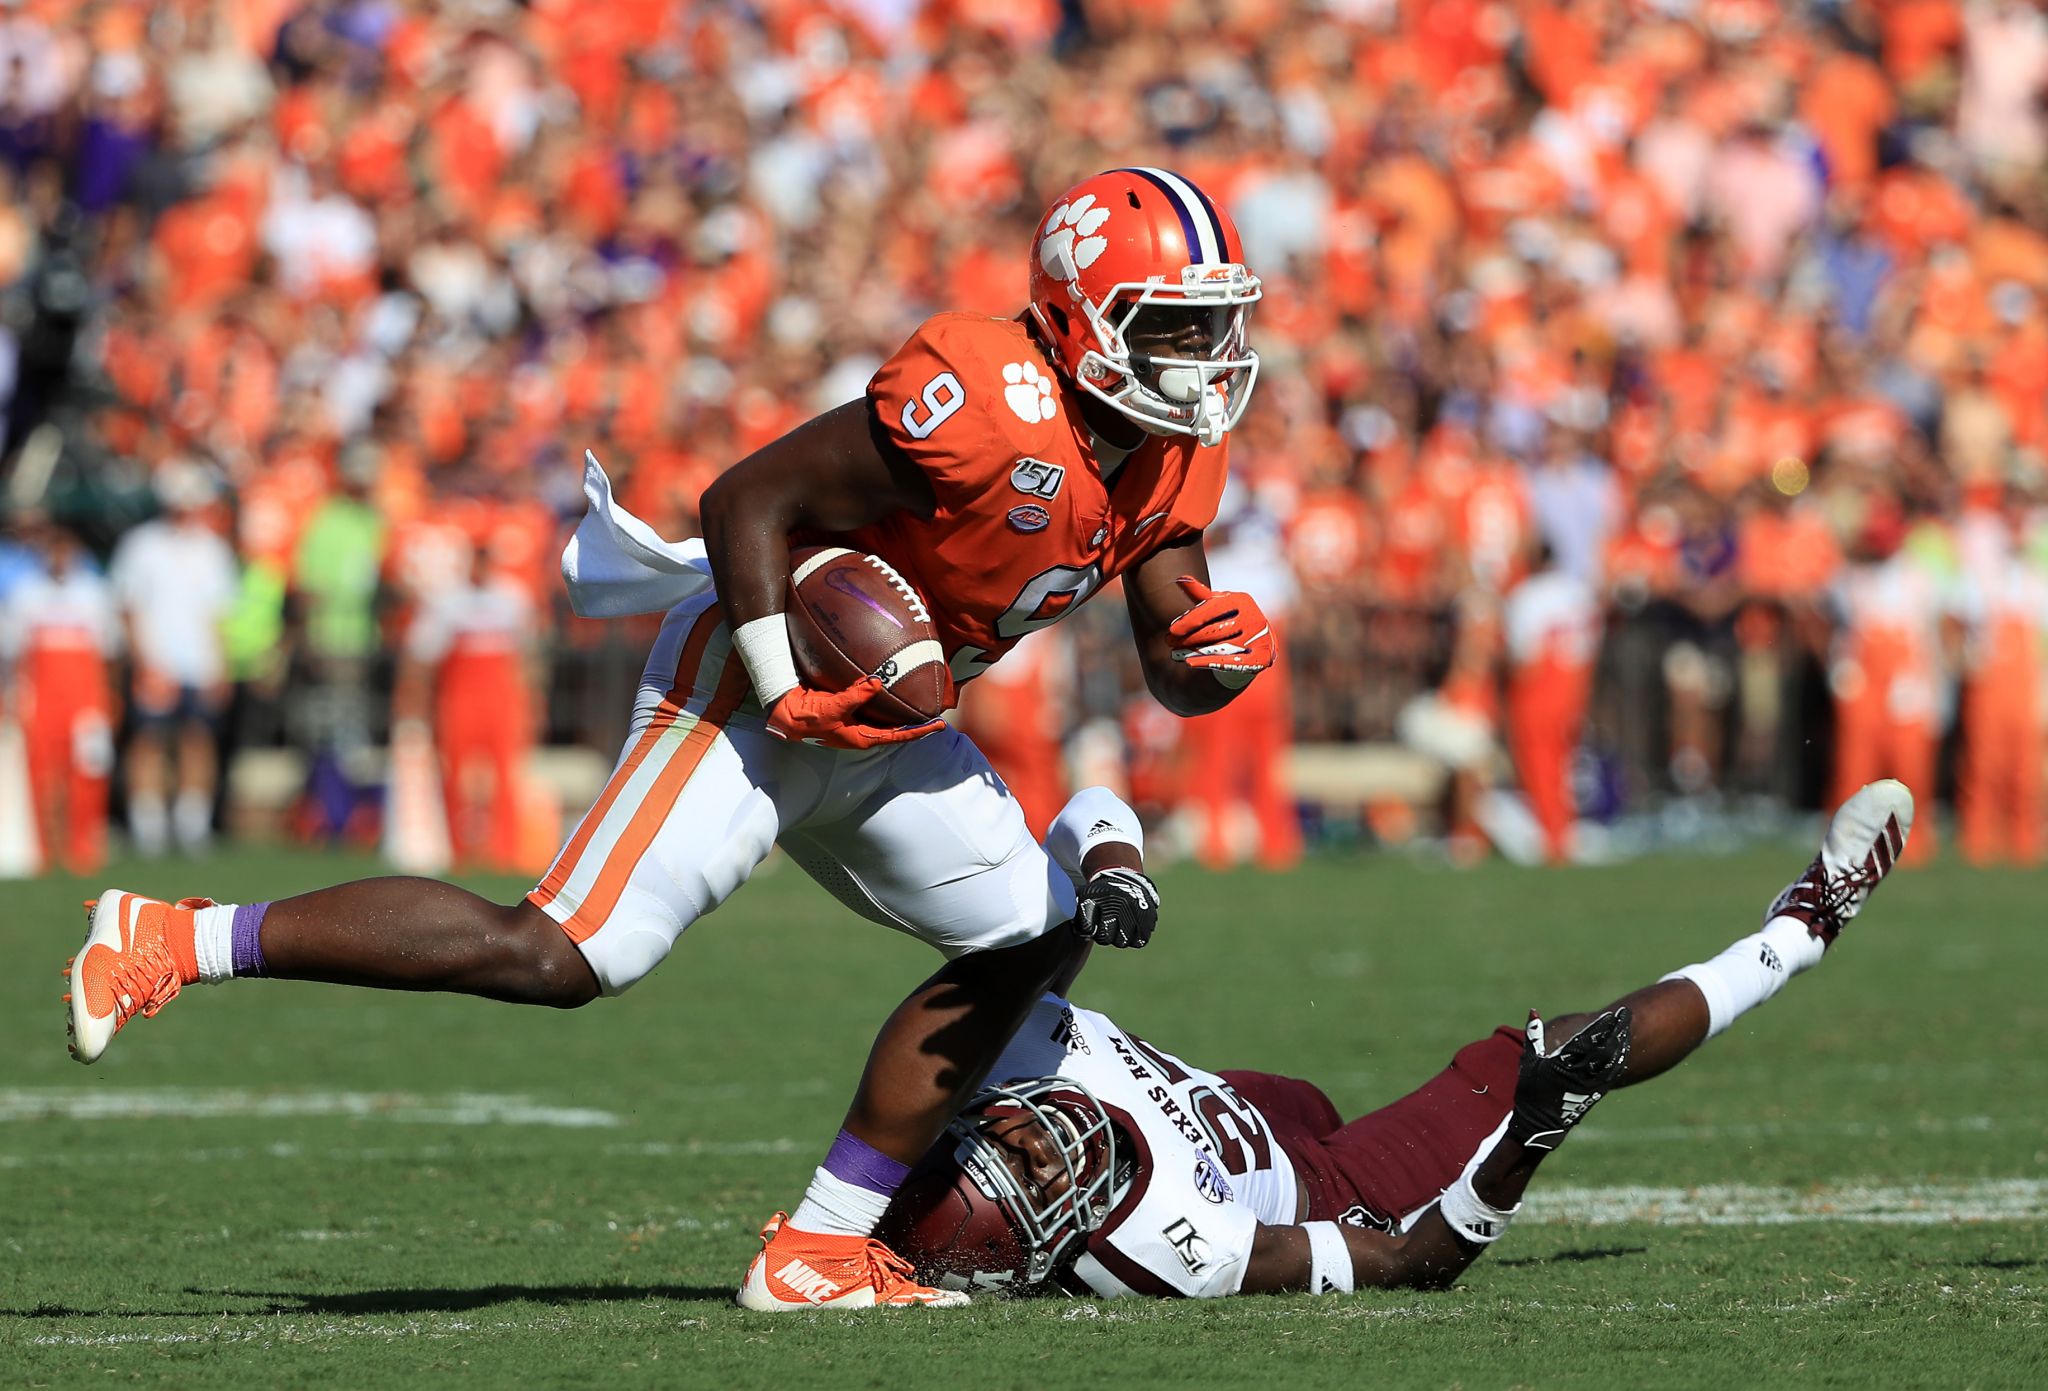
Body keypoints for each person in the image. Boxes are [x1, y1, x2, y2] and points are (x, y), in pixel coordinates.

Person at [63, 169, 1276, 1310]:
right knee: (561, 954)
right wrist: (777, 680)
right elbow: (747, 498)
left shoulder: (1166, 453)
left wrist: (1204, 662)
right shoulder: (982, 400)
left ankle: (817, 1245)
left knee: (1037, 930)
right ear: (1074, 319)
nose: (1205, 361)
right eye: (1175, 326)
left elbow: (1171, 641)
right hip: (755, 683)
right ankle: (173, 937)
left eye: (1214, 327)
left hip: (890, 720)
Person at [870, 780, 1914, 1299]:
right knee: (1540, 1054)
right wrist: (1528, 1138)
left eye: (1001, 1142)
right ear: (1047, 1248)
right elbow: (1412, 1258)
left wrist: (1109, 863)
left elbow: (1086, 800)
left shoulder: (997, 1055)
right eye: (1034, 1177)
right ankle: (1803, 923)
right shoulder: (1168, 1248)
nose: (1041, 1141)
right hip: (1307, 1175)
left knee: (1035, 922)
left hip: (1233, 1098)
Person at [106, 460, 240, 855]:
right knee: (148, 740)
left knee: (197, 740)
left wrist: (221, 666)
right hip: (156, 661)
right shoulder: (141, 544)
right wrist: (144, 662)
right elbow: (128, 608)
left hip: (199, 662)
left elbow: (217, 615)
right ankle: (148, 825)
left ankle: (191, 824)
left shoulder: (212, 549)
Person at [1, 522, 122, 874]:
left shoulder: (94, 592)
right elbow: (11, 652)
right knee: (40, 771)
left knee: (88, 770)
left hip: (85, 698)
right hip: (41, 697)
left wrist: (107, 697)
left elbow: (110, 652)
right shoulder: (25, 594)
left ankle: (83, 848)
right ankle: (41, 849)